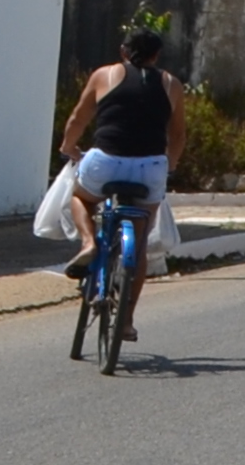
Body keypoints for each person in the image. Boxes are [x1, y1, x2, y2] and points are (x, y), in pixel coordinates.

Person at [57, 26, 182, 286]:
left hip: (106, 162)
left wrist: (69, 148)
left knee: (81, 197)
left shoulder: (105, 75)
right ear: (156, 56)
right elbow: (178, 136)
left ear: (123, 51)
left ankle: (89, 242)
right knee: (138, 247)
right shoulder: (171, 84)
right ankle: (125, 325)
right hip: (150, 167)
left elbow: (78, 119)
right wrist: (169, 167)